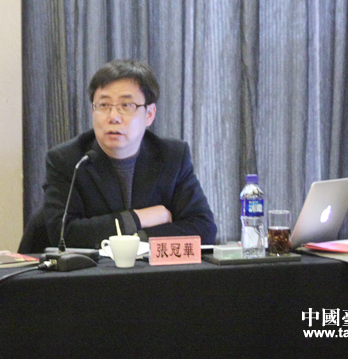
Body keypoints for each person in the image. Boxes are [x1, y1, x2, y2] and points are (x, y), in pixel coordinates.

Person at [43, 59, 217, 248]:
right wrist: (139, 218)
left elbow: (203, 228)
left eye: (126, 105)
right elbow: (64, 234)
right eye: (103, 105)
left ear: (149, 114)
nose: (113, 117)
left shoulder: (172, 156)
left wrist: (139, 239)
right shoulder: (68, 161)